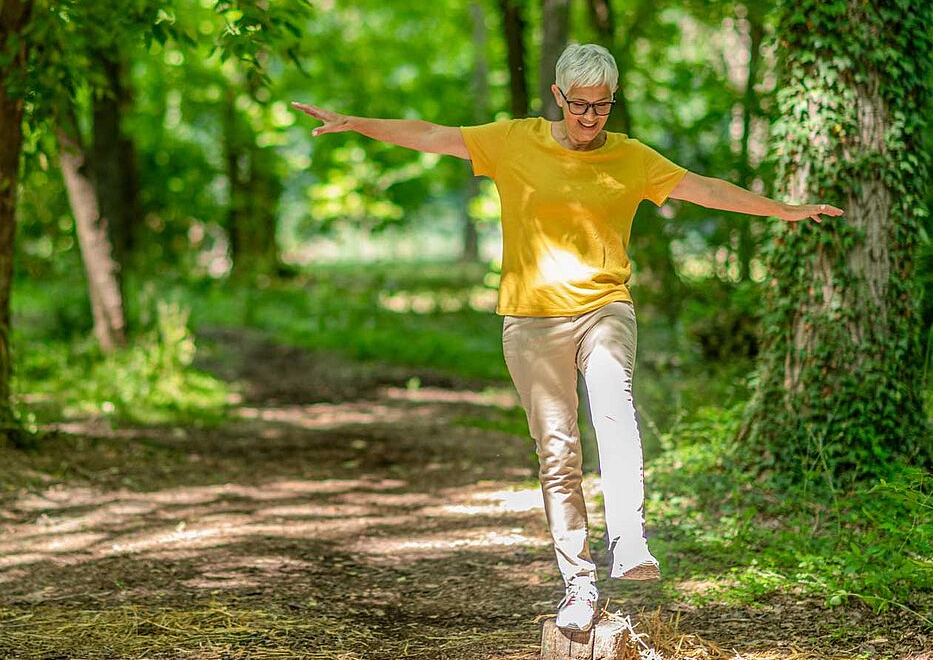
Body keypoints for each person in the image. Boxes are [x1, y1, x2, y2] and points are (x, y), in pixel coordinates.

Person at [292, 43, 843, 633]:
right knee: (558, 453)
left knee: (615, 410)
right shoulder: (513, 141)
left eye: (602, 107)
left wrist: (783, 211)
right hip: (530, 321)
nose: (589, 119)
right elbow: (432, 134)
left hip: (605, 307)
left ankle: (629, 541)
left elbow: (705, 189)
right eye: (579, 106)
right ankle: (578, 583)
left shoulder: (631, 158)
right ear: (558, 97)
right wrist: (355, 124)